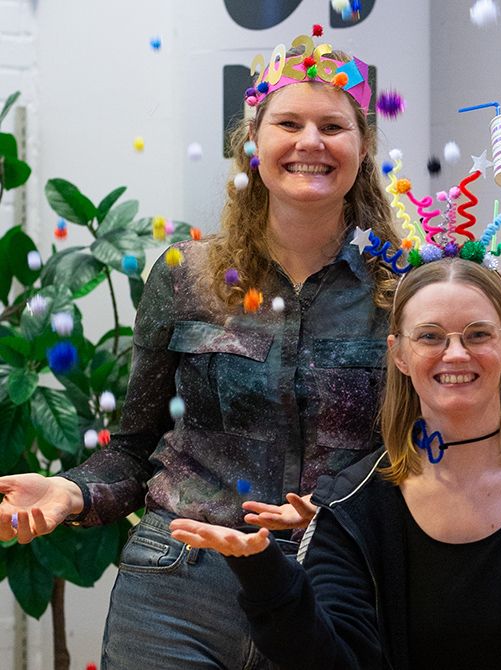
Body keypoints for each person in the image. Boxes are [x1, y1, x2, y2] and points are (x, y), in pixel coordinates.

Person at [0, 35, 398, 669]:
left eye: (333, 126)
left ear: (363, 146)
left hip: (335, 589)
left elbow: (426, 455)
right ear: (253, 142)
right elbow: (137, 446)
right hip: (177, 586)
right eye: (288, 123)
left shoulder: (402, 291)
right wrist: (73, 493)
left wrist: (346, 507)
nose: (310, 142)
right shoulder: (188, 275)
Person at [170, 257, 501, 670]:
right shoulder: (354, 502)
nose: (455, 354)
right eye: (430, 336)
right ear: (399, 354)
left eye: (477, 335)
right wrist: (266, 578)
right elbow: (332, 661)